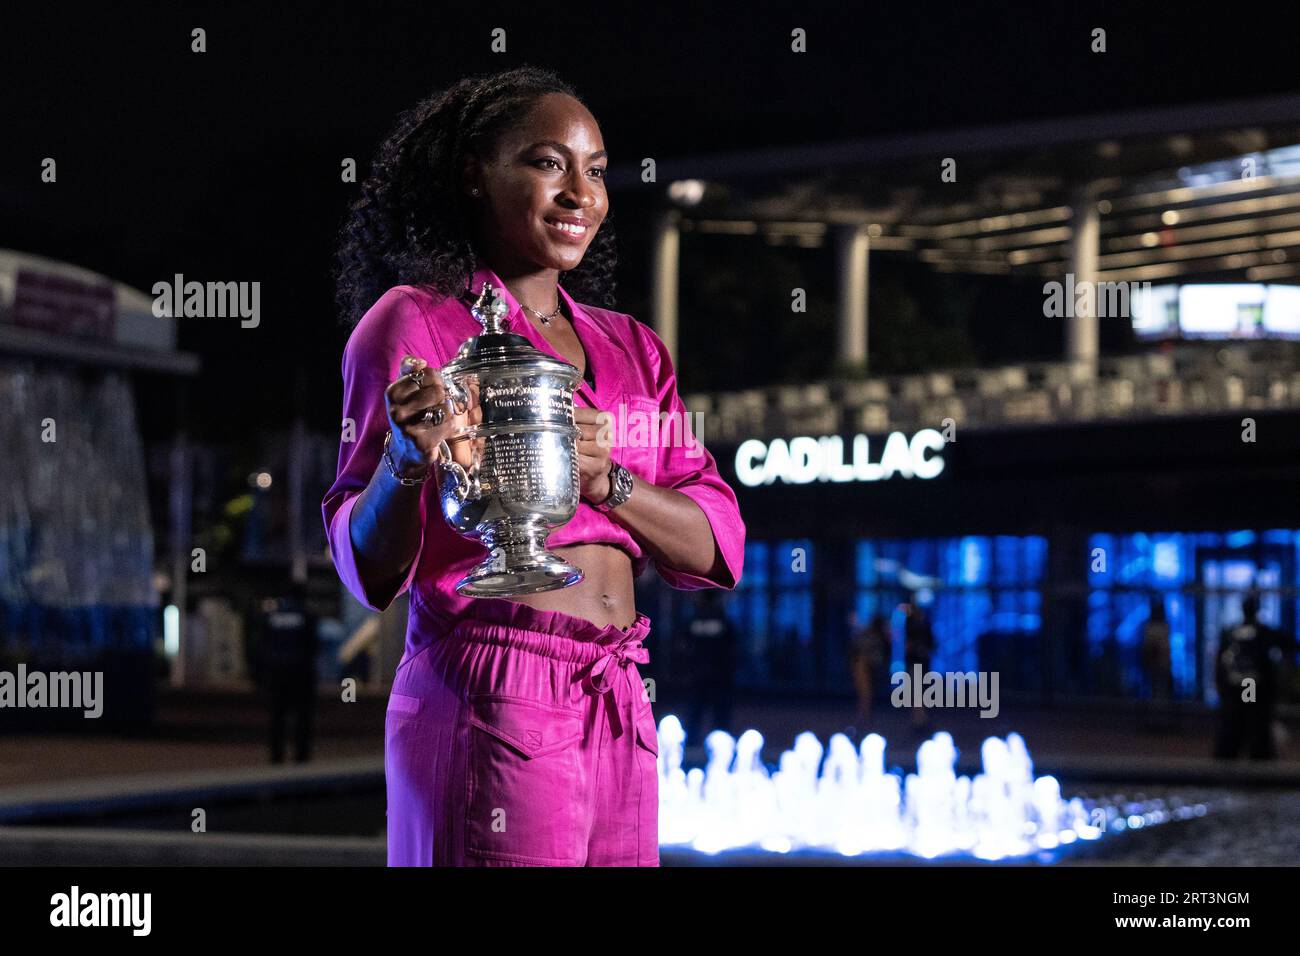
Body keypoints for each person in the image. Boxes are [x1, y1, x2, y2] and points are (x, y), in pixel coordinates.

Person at [324, 68, 746, 867]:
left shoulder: (633, 347)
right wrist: (405, 465)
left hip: (620, 693)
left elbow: (717, 546)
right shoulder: (414, 321)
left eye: (594, 169)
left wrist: (610, 482)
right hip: (491, 679)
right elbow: (364, 569)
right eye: (549, 163)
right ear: (474, 174)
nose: (578, 192)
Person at [1213, 592, 1294, 760]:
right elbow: (1288, 644)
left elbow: (1220, 662)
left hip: (1237, 684)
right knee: (1253, 720)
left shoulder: (1232, 631)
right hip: (1250, 683)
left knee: (1236, 721)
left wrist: (1221, 685)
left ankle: (1231, 756)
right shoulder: (1262, 631)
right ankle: (1255, 756)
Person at [260, 579, 319, 764]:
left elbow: (263, 644)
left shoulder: (272, 615)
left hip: (276, 673)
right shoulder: (307, 615)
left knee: (277, 715)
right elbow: (312, 646)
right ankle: (301, 755)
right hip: (301, 673)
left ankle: (276, 755)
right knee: (302, 716)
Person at [683, 589, 737, 743]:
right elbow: (732, 648)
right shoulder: (723, 620)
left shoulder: (694, 621)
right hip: (719, 675)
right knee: (720, 713)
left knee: (695, 711)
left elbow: (684, 647)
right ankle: (722, 742)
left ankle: (691, 746)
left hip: (698, 674)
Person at [846, 612, 889, 725]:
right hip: (862, 667)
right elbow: (860, 650)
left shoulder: (873, 636)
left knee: (866, 693)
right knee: (865, 693)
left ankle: (864, 715)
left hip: (867, 668)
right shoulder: (870, 637)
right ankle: (863, 716)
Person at [903, 602, 934, 729]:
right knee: (916, 691)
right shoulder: (910, 627)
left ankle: (921, 717)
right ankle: (917, 717)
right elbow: (907, 646)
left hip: (923, 664)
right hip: (914, 663)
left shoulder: (925, 627)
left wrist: (924, 649)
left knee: (923, 691)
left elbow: (931, 644)